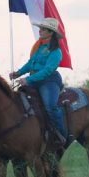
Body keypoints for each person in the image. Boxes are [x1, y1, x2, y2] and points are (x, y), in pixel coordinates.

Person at [10, 17, 67, 145]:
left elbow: (47, 71)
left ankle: (61, 135)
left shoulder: (56, 52)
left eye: (43, 29)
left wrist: (28, 79)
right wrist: (18, 73)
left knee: (50, 106)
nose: (40, 30)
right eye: (40, 28)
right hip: (34, 79)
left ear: (51, 33)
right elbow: (31, 63)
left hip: (49, 81)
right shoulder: (39, 47)